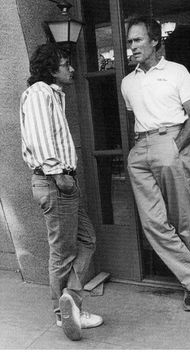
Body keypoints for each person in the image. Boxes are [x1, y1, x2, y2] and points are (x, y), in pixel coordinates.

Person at [121, 15, 190, 313]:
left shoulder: (177, 72)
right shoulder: (128, 82)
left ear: (154, 41)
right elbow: (136, 117)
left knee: (183, 220)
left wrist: (174, 148)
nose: (133, 46)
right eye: (129, 42)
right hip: (141, 148)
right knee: (153, 223)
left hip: (172, 140)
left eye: (138, 40)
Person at [20, 43, 103, 341]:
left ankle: (69, 299)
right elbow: (42, 139)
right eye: (66, 64)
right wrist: (59, 175)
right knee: (62, 252)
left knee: (87, 239)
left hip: (62, 181)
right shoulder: (40, 93)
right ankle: (63, 312)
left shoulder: (51, 94)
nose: (72, 69)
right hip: (56, 181)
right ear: (52, 68)